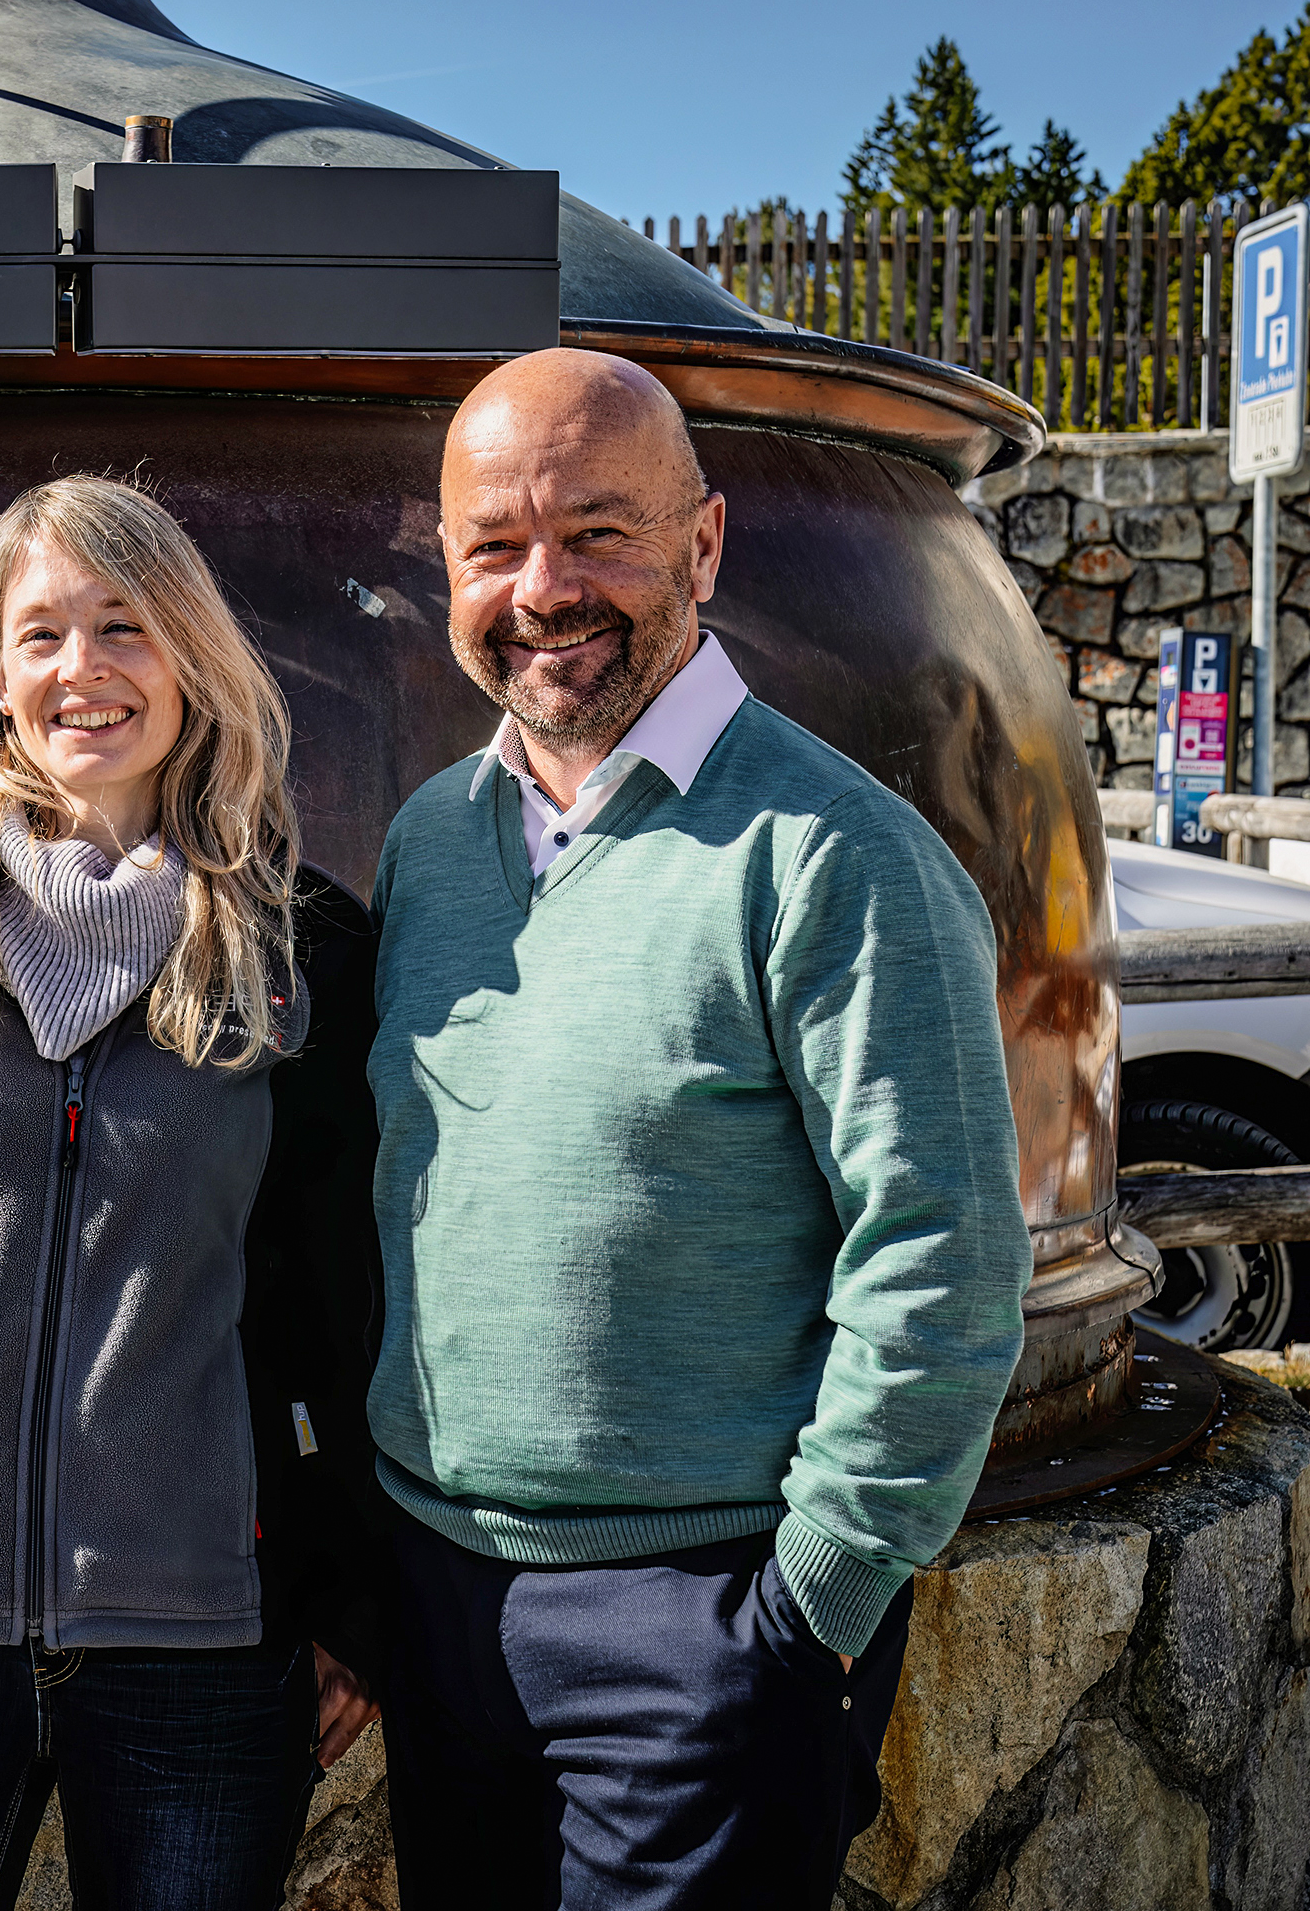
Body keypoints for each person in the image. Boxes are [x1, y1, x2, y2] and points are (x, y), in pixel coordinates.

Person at [367, 346, 1031, 1908]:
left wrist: (812, 1601)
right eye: (493, 545)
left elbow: (941, 1259)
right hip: (442, 1599)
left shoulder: (837, 855)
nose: (542, 588)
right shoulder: (429, 840)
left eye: (596, 533)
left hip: (705, 1622)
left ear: (704, 544)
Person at [0, 474, 386, 1911]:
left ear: (188, 652)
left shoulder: (300, 946)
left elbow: (353, 1305)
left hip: (199, 1644)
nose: (82, 668)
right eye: (40, 632)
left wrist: (348, 1594)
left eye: (123, 624)